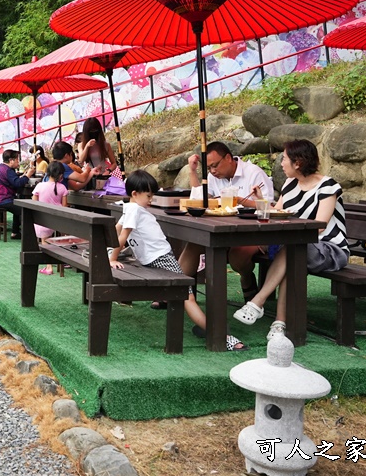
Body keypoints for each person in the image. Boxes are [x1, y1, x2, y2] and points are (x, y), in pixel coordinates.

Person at [111, 170, 247, 351]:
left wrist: (108, 253)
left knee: (183, 287)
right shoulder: (135, 210)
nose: (151, 200)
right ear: (135, 194)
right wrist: (112, 258)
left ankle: (207, 327)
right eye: (149, 196)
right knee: (187, 297)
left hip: (153, 260)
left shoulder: (128, 208)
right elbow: (122, 236)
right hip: (161, 259)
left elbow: (115, 231)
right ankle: (222, 335)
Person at [233, 139, 348, 341]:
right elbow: (277, 213)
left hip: (330, 248)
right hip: (298, 247)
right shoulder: (289, 184)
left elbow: (320, 225)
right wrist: (261, 200)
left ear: (298, 162)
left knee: (293, 249)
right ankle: (279, 324)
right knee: (293, 254)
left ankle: (258, 301)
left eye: (284, 159)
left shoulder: (328, 186)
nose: (281, 164)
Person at [176, 141, 275, 302]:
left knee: (237, 256)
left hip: (254, 232)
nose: (213, 171)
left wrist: (240, 200)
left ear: (228, 158)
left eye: (215, 165)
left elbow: (269, 207)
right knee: (194, 244)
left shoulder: (253, 173)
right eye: (209, 168)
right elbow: (200, 198)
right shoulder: (214, 177)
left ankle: (246, 278)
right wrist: (193, 172)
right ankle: (175, 292)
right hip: (223, 230)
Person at [0, 149, 36, 240]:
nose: (18, 162)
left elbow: (14, 180)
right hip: (3, 199)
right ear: (11, 161)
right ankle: (28, 235)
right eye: (17, 160)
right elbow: (17, 183)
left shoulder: (0, 168)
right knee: (24, 209)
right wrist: (28, 175)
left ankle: (15, 232)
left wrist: (23, 176)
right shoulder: (8, 170)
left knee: (19, 204)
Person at [32, 161, 69, 274]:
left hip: (43, 220)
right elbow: (64, 207)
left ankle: (49, 266)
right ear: (61, 175)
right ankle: (65, 259)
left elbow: (34, 202)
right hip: (58, 221)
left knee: (45, 240)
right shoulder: (62, 188)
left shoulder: (40, 186)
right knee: (63, 235)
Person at [75, 118, 116, 186]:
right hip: (89, 177)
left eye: (96, 131)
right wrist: (87, 146)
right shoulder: (81, 145)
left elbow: (114, 163)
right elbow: (81, 160)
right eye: (91, 132)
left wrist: (108, 171)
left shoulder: (105, 145)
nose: (94, 133)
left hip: (102, 176)